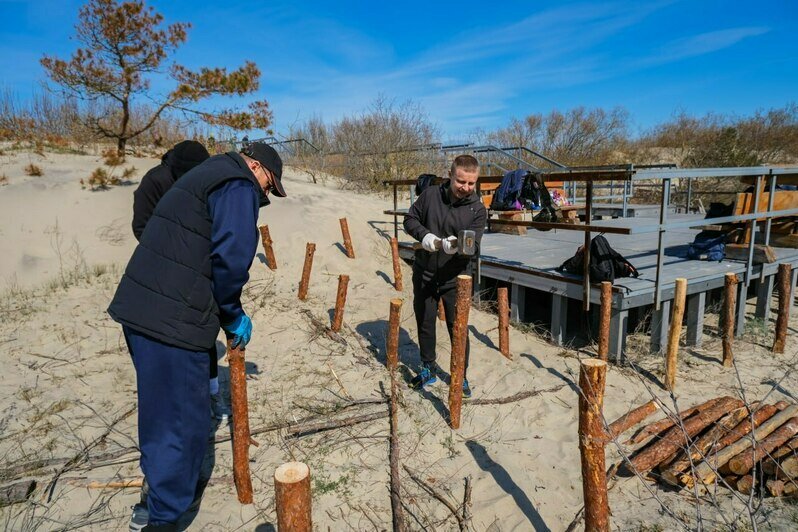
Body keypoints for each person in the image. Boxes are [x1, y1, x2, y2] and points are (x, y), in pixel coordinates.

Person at [108, 142, 286, 531]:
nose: (266, 195)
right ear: (255, 166)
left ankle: (156, 497)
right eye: (269, 186)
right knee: (182, 423)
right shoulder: (237, 184)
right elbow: (231, 257)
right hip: (172, 322)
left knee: (159, 415)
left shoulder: (206, 176)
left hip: (144, 310)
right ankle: (164, 517)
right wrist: (232, 314)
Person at [130, 140, 233, 422]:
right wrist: (172, 254)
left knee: (205, 328)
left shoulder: (202, 180)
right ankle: (172, 402)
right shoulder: (155, 181)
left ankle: (212, 392)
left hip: (199, 270)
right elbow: (141, 227)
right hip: (161, 272)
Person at [403, 154, 487, 398]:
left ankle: (460, 375)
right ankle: (428, 368)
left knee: (457, 327)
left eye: (471, 183)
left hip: (456, 278)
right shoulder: (430, 195)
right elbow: (410, 219)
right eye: (461, 181)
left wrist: (460, 246)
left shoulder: (477, 209)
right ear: (451, 175)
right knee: (426, 322)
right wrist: (424, 236)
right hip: (425, 272)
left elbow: (476, 246)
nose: (466, 188)